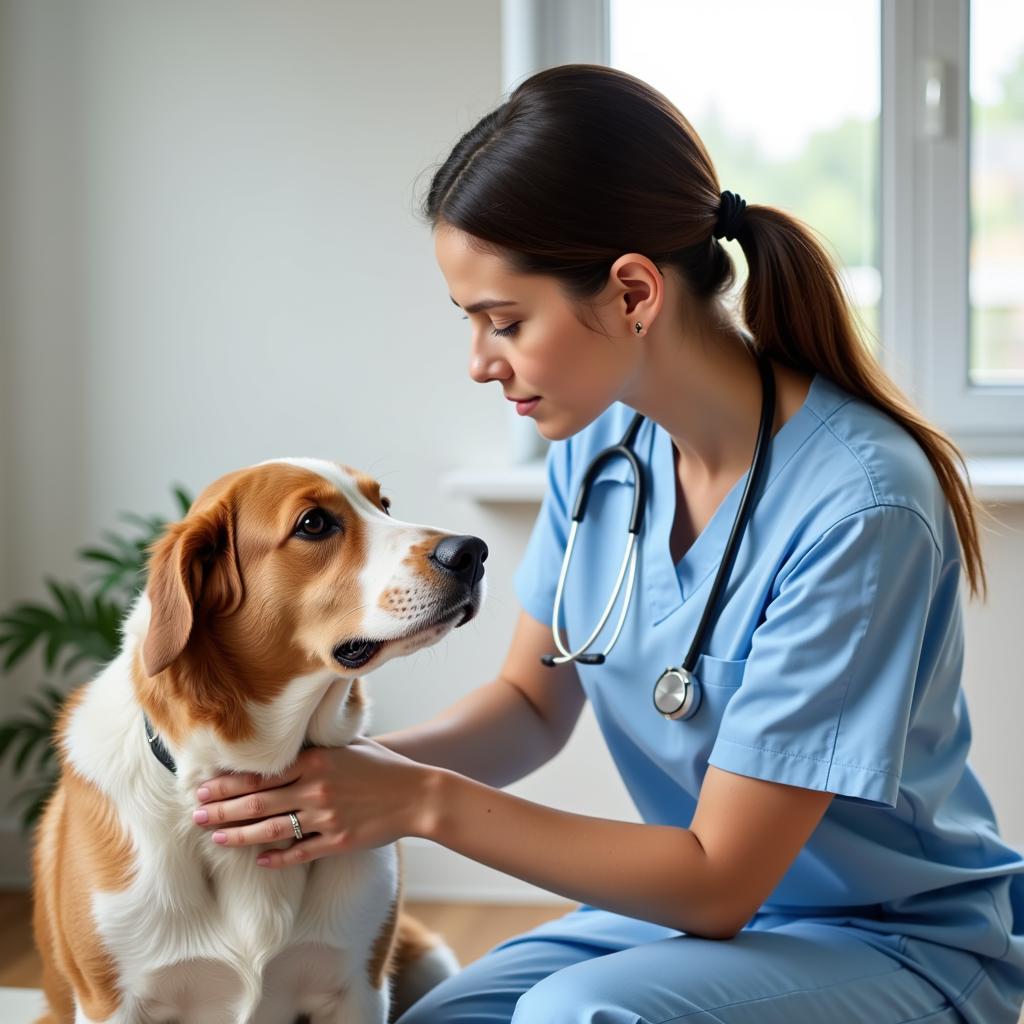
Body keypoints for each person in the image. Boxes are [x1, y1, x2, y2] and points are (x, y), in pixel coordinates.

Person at [189, 64, 1024, 1022]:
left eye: (504, 321)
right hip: (703, 924)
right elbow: (528, 707)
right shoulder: (598, 444)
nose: (479, 363)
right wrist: (336, 780)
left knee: (571, 1019)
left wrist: (418, 801)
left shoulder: (862, 507)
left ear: (633, 292)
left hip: (890, 938)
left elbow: (718, 878)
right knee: (443, 1019)